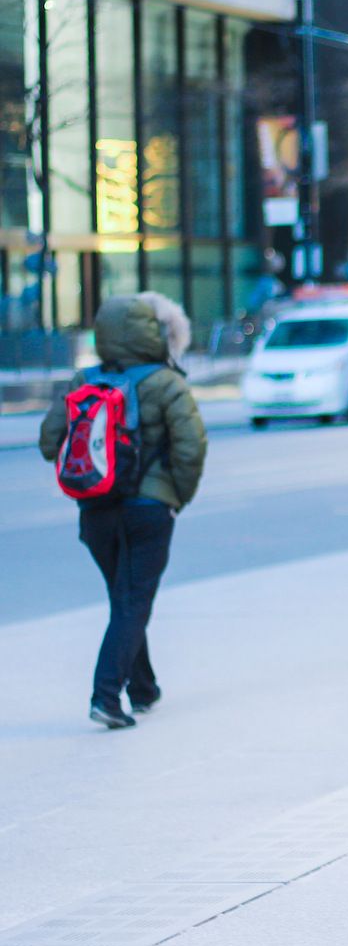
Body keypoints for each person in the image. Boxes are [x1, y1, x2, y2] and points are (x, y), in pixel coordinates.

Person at [39, 293, 207, 729]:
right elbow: (191, 447)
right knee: (132, 600)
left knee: (125, 596)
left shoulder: (84, 380)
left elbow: (47, 441)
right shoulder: (167, 383)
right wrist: (174, 497)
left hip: (95, 508)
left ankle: (143, 688)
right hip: (148, 508)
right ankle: (106, 696)